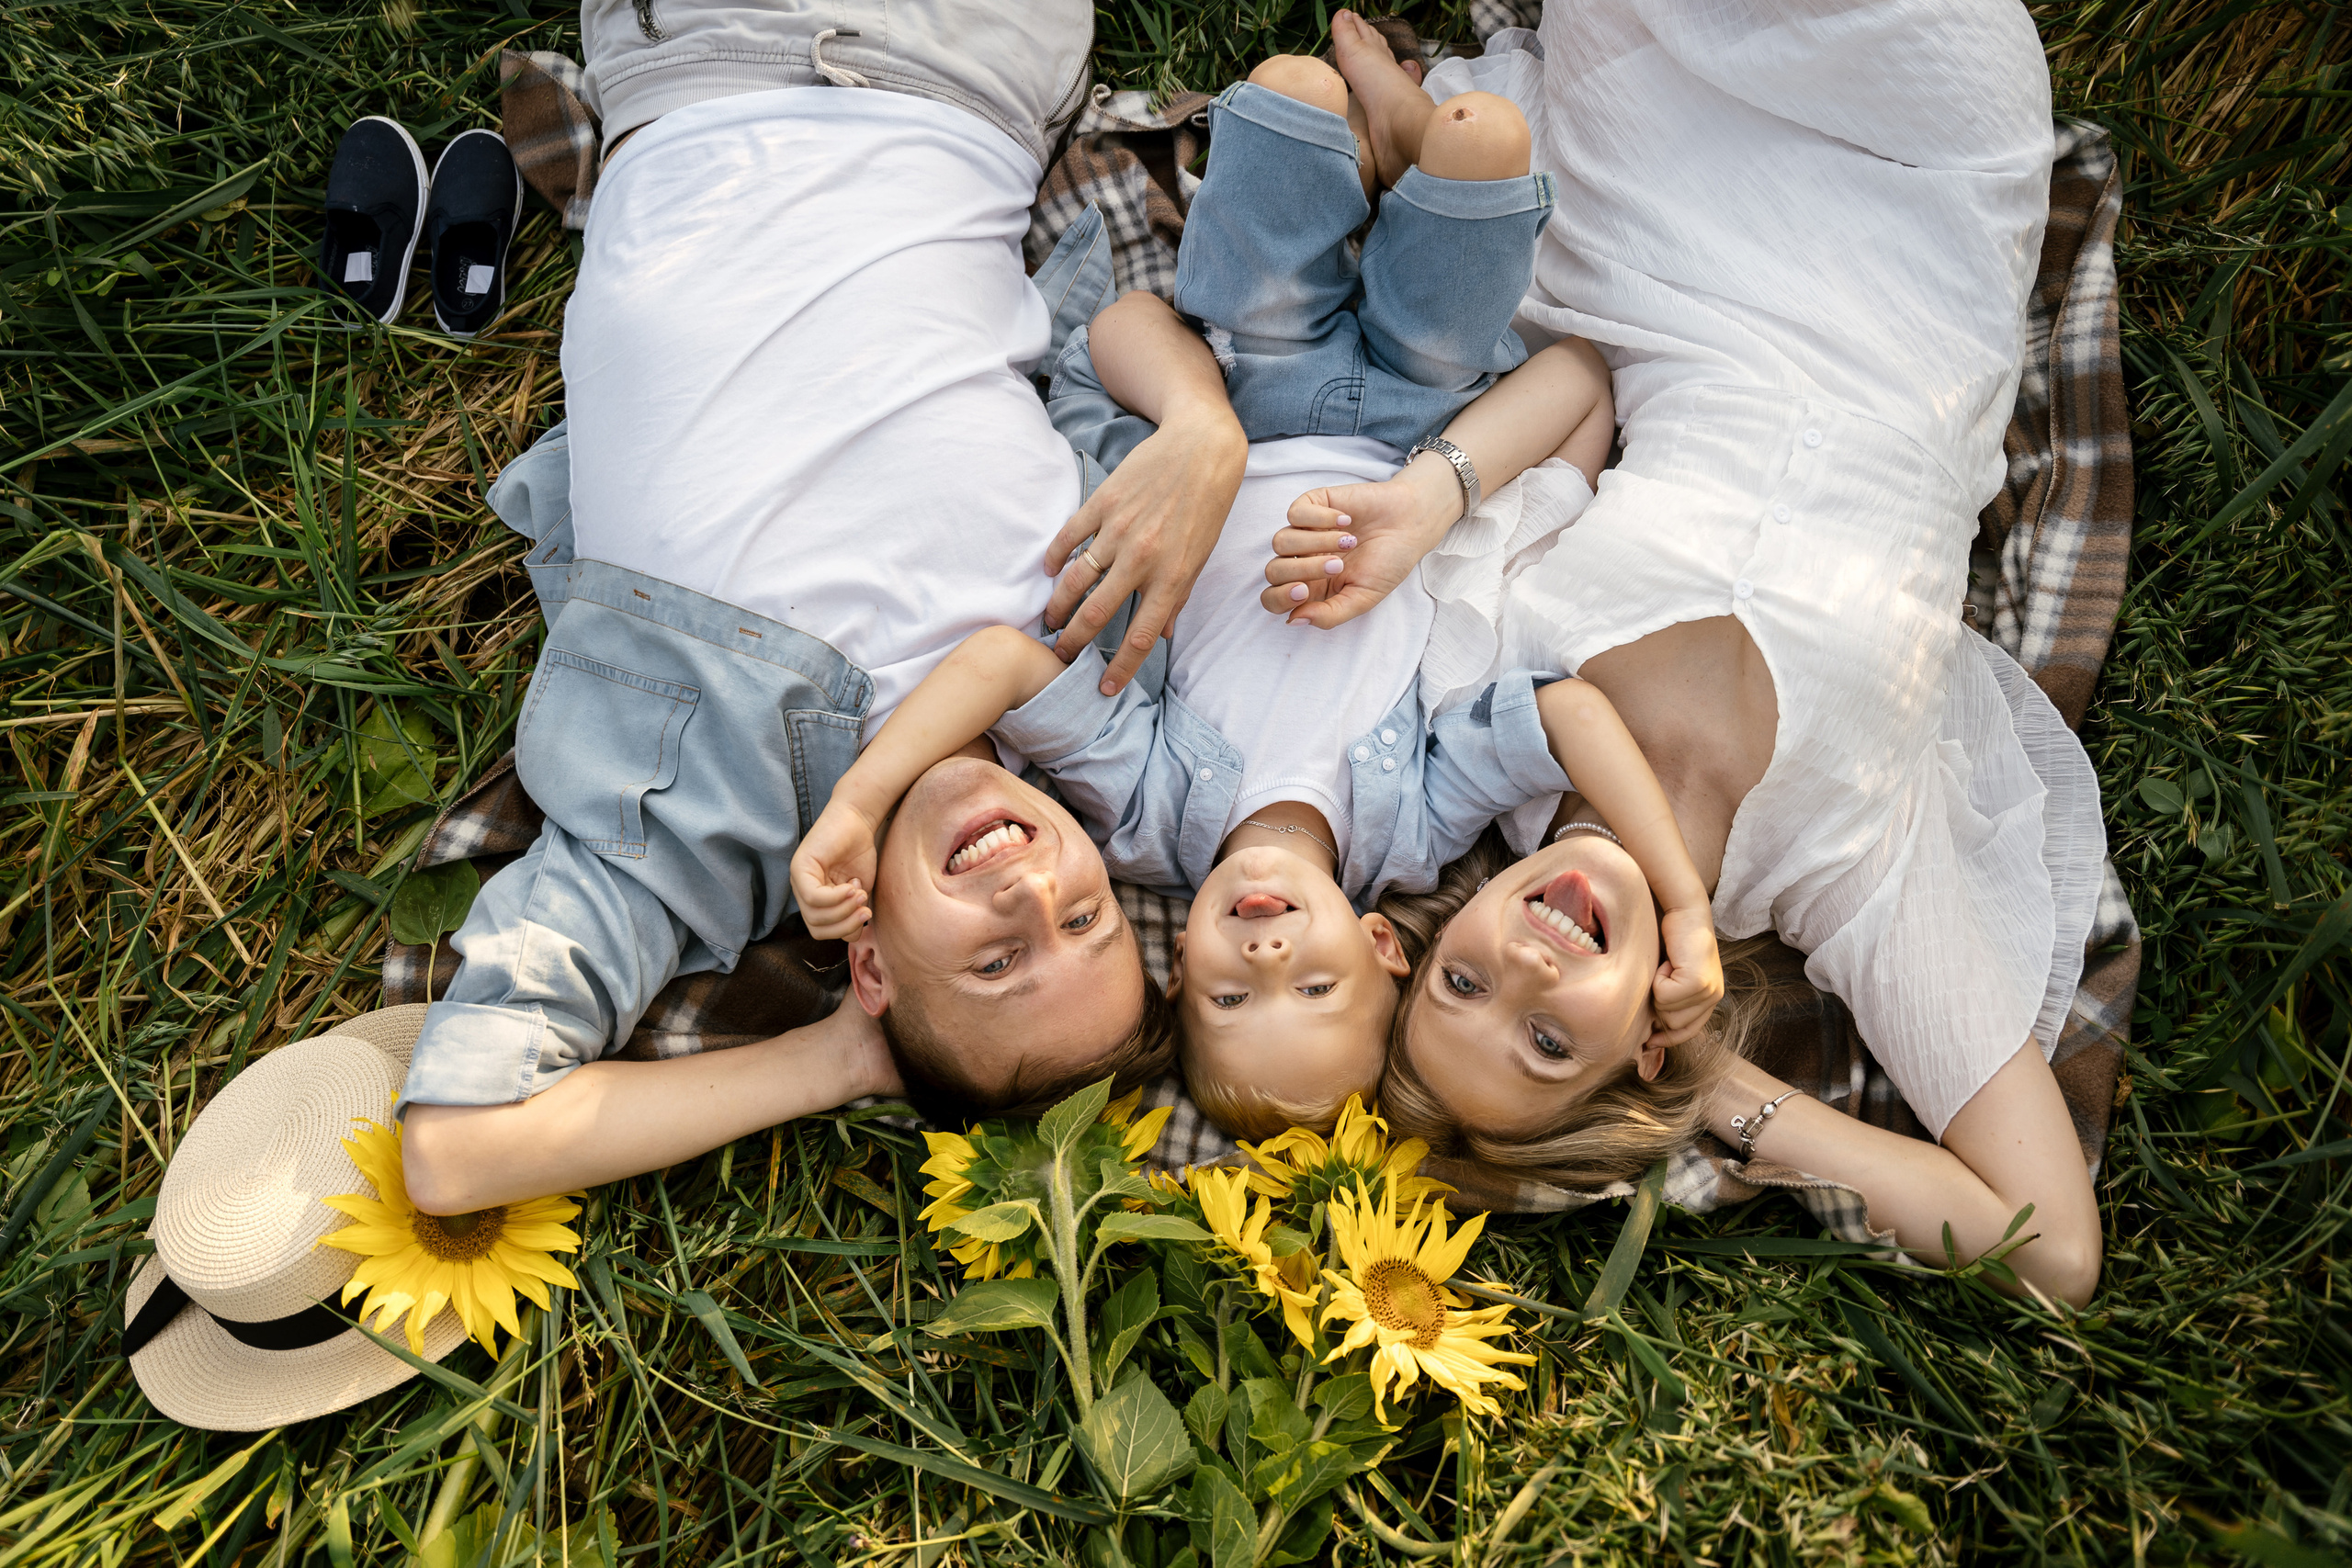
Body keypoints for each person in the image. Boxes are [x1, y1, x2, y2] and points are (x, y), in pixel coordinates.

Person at [1274, 0, 2108, 1304]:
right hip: (1925, 243)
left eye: (1466, 978)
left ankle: (1420, 148)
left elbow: (1584, 393)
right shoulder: (1851, 870)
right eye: (1548, 1038)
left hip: (1668, 256)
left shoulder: (1491, 690)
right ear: (1634, 1063)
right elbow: (2050, 1245)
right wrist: (1712, 1088)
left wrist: (1430, 501)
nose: (1531, 965)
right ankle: (1421, 146)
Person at [396, 0, 1254, 1215]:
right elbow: (1102, 334)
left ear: (872, 968)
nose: (1031, 894)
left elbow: (454, 1149)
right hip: (970, 69)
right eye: (1086, 915)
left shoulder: (685, 837)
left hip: (704, 57)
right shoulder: (1099, 679)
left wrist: (847, 1058)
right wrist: (1204, 423)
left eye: (1000, 959)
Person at [792, 28, 1718, 1142]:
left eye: (1233, 996)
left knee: (1290, 91)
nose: (1268, 957)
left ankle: (1368, 147)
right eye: (1314, 986)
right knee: (1487, 141)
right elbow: (1566, 712)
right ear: (1382, 945)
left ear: (1179, 960)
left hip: (1251, 379)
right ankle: (1404, 148)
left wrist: (856, 803)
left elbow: (998, 665)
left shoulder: (1144, 813)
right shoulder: (1414, 831)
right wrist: (1680, 902)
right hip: (1424, 426)